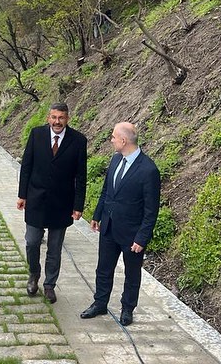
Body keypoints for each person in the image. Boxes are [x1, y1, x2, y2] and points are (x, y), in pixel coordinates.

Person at [80, 122, 160, 326]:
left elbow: (151, 210)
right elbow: (107, 191)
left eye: (114, 137)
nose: (111, 140)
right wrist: (97, 215)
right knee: (103, 268)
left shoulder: (148, 170)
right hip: (108, 227)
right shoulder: (116, 160)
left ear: (123, 140)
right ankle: (100, 303)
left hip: (132, 234)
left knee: (132, 273)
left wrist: (142, 237)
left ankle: (127, 308)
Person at [17, 102, 87, 304]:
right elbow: (26, 166)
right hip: (36, 199)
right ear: (48, 117)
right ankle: (34, 275)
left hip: (62, 202)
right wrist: (22, 195)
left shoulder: (78, 140)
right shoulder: (36, 134)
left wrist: (78, 205)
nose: (57, 122)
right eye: (54, 117)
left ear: (67, 118)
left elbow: (81, 176)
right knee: (31, 241)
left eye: (61, 118)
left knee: (55, 248)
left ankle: (49, 285)